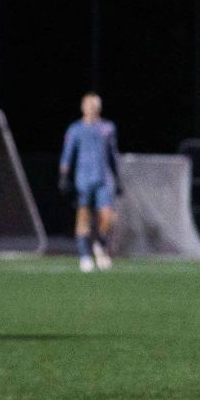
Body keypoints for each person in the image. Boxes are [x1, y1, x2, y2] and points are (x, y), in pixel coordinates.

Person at [57, 92, 121, 272]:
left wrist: (118, 178)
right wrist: (63, 176)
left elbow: (112, 154)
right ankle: (85, 255)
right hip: (83, 179)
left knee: (108, 216)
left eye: (95, 105)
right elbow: (67, 154)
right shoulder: (75, 129)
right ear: (83, 107)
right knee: (84, 216)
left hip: (104, 178)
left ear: (99, 107)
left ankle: (100, 244)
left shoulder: (108, 128)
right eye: (88, 105)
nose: (92, 108)